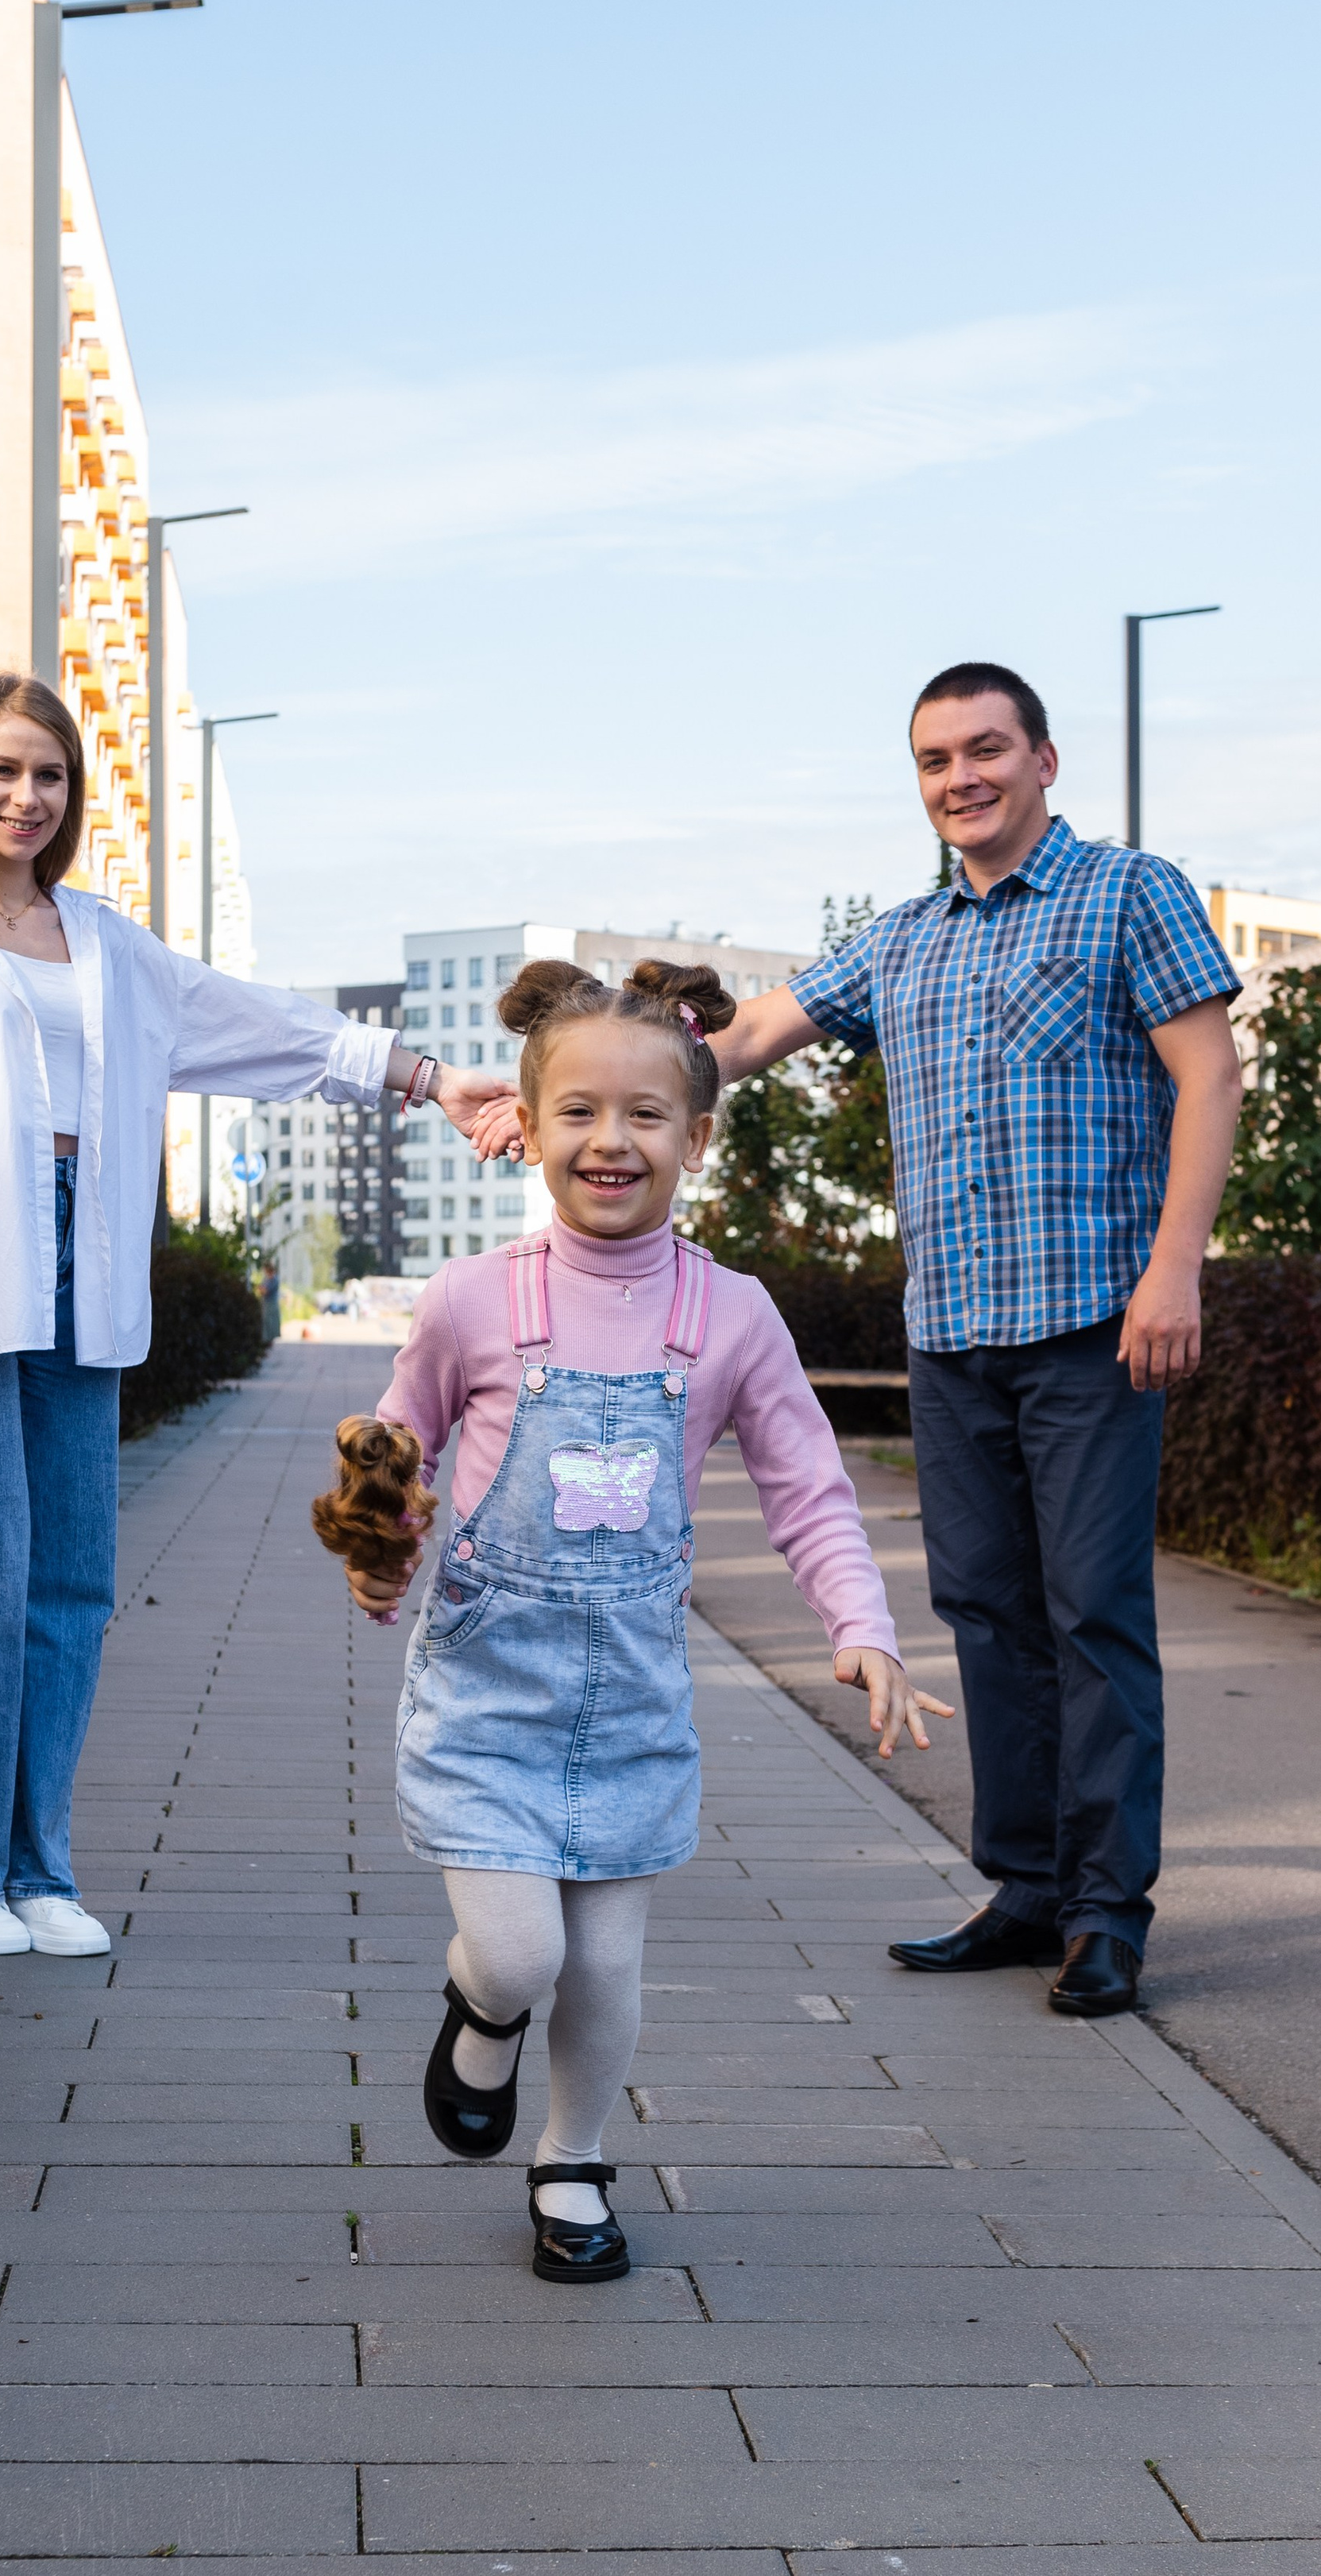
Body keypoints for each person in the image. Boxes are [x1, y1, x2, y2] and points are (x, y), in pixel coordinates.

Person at [0, 670, 502, 1961]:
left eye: (51, 775)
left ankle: (34, 1869)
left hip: (84, 1268)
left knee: (70, 1582)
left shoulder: (110, 940)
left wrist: (427, 1075)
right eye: (3, 769)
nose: (28, 796)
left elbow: (264, 1028)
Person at [312, 959, 951, 2281]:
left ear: (697, 1136)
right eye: (581, 1113)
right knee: (523, 1946)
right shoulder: (475, 1298)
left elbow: (807, 1482)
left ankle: (573, 2157)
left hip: (634, 1701)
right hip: (491, 1692)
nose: (613, 1141)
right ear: (529, 1128)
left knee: (604, 1961)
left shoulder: (731, 1313)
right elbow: (396, 1446)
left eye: (647, 1117)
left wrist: (862, 1621)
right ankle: (479, 2006)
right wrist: (380, 1554)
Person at [658, 664, 1242, 2018]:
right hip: (954, 1333)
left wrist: (1175, 1275)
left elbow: (1208, 1075)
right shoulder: (901, 935)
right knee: (986, 1614)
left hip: (1098, 1319)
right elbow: (740, 1039)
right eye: (934, 759)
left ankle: (1108, 1916)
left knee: (1095, 1617)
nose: (959, 776)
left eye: (986, 749)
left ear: (1044, 759)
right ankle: (1028, 1886)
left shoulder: (1127, 892)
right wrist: (578, 1065)